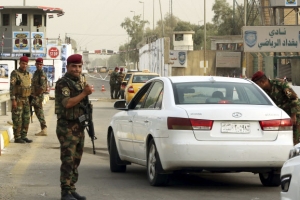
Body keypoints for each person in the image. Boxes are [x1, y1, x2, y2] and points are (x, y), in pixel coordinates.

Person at [55, 54, 93, 200]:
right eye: (74, 66)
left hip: (79, 126)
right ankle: (65, 191)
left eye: (79, 66)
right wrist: (84, 93)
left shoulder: (79, 82)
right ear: (68, 67)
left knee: (76, 159)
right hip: (67, 127)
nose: (77, 69)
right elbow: (68, 103)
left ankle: (71, 188)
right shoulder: (63, 83)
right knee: (68, 159)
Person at [252, 71, 300, 145]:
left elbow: (294, 98)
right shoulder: (262, 91)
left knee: (294, 140)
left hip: (293, 114)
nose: (257, 87)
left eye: (257, 84)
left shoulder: (280, 84)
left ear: (262, 82)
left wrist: (293, 116)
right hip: (280, 117)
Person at [9, 56, 33, 143]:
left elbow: (28, 86)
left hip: (26, 99)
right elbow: (12, 87)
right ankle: (17, 137)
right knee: (17, 118)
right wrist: (13, 100)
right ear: (20, 63)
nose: (24, 65)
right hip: (18, 99)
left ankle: (24, 135)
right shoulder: (15, 73)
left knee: (26, 117)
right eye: (23, 63)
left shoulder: (27, 74)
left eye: (26, 64)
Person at [31, 58, 48, 136]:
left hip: (38, 96)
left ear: (42, 65)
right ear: (35, 64)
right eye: (37, 64)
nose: (39, 65)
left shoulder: (42, 74)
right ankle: (44, 129)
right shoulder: (36, 73)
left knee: (38, 112)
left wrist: (35, 94)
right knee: (38, 112)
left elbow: (42, 87)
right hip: (34, 95)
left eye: (40, 64)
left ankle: (44, 129)